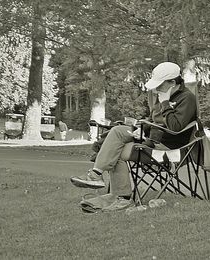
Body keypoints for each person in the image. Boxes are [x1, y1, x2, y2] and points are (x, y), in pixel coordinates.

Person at [70, 62, 197, 211]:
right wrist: (143, 130)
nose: (156, 89)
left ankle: (121, 197)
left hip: (169, 148)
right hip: (153, 137)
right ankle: (97, 175)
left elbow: (175, 127)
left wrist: (165, 103)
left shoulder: (187, 98)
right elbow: (154, 120)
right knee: (117, 131)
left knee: (115, 151)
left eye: (160, 85)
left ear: (173, 83)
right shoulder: (164, 95)